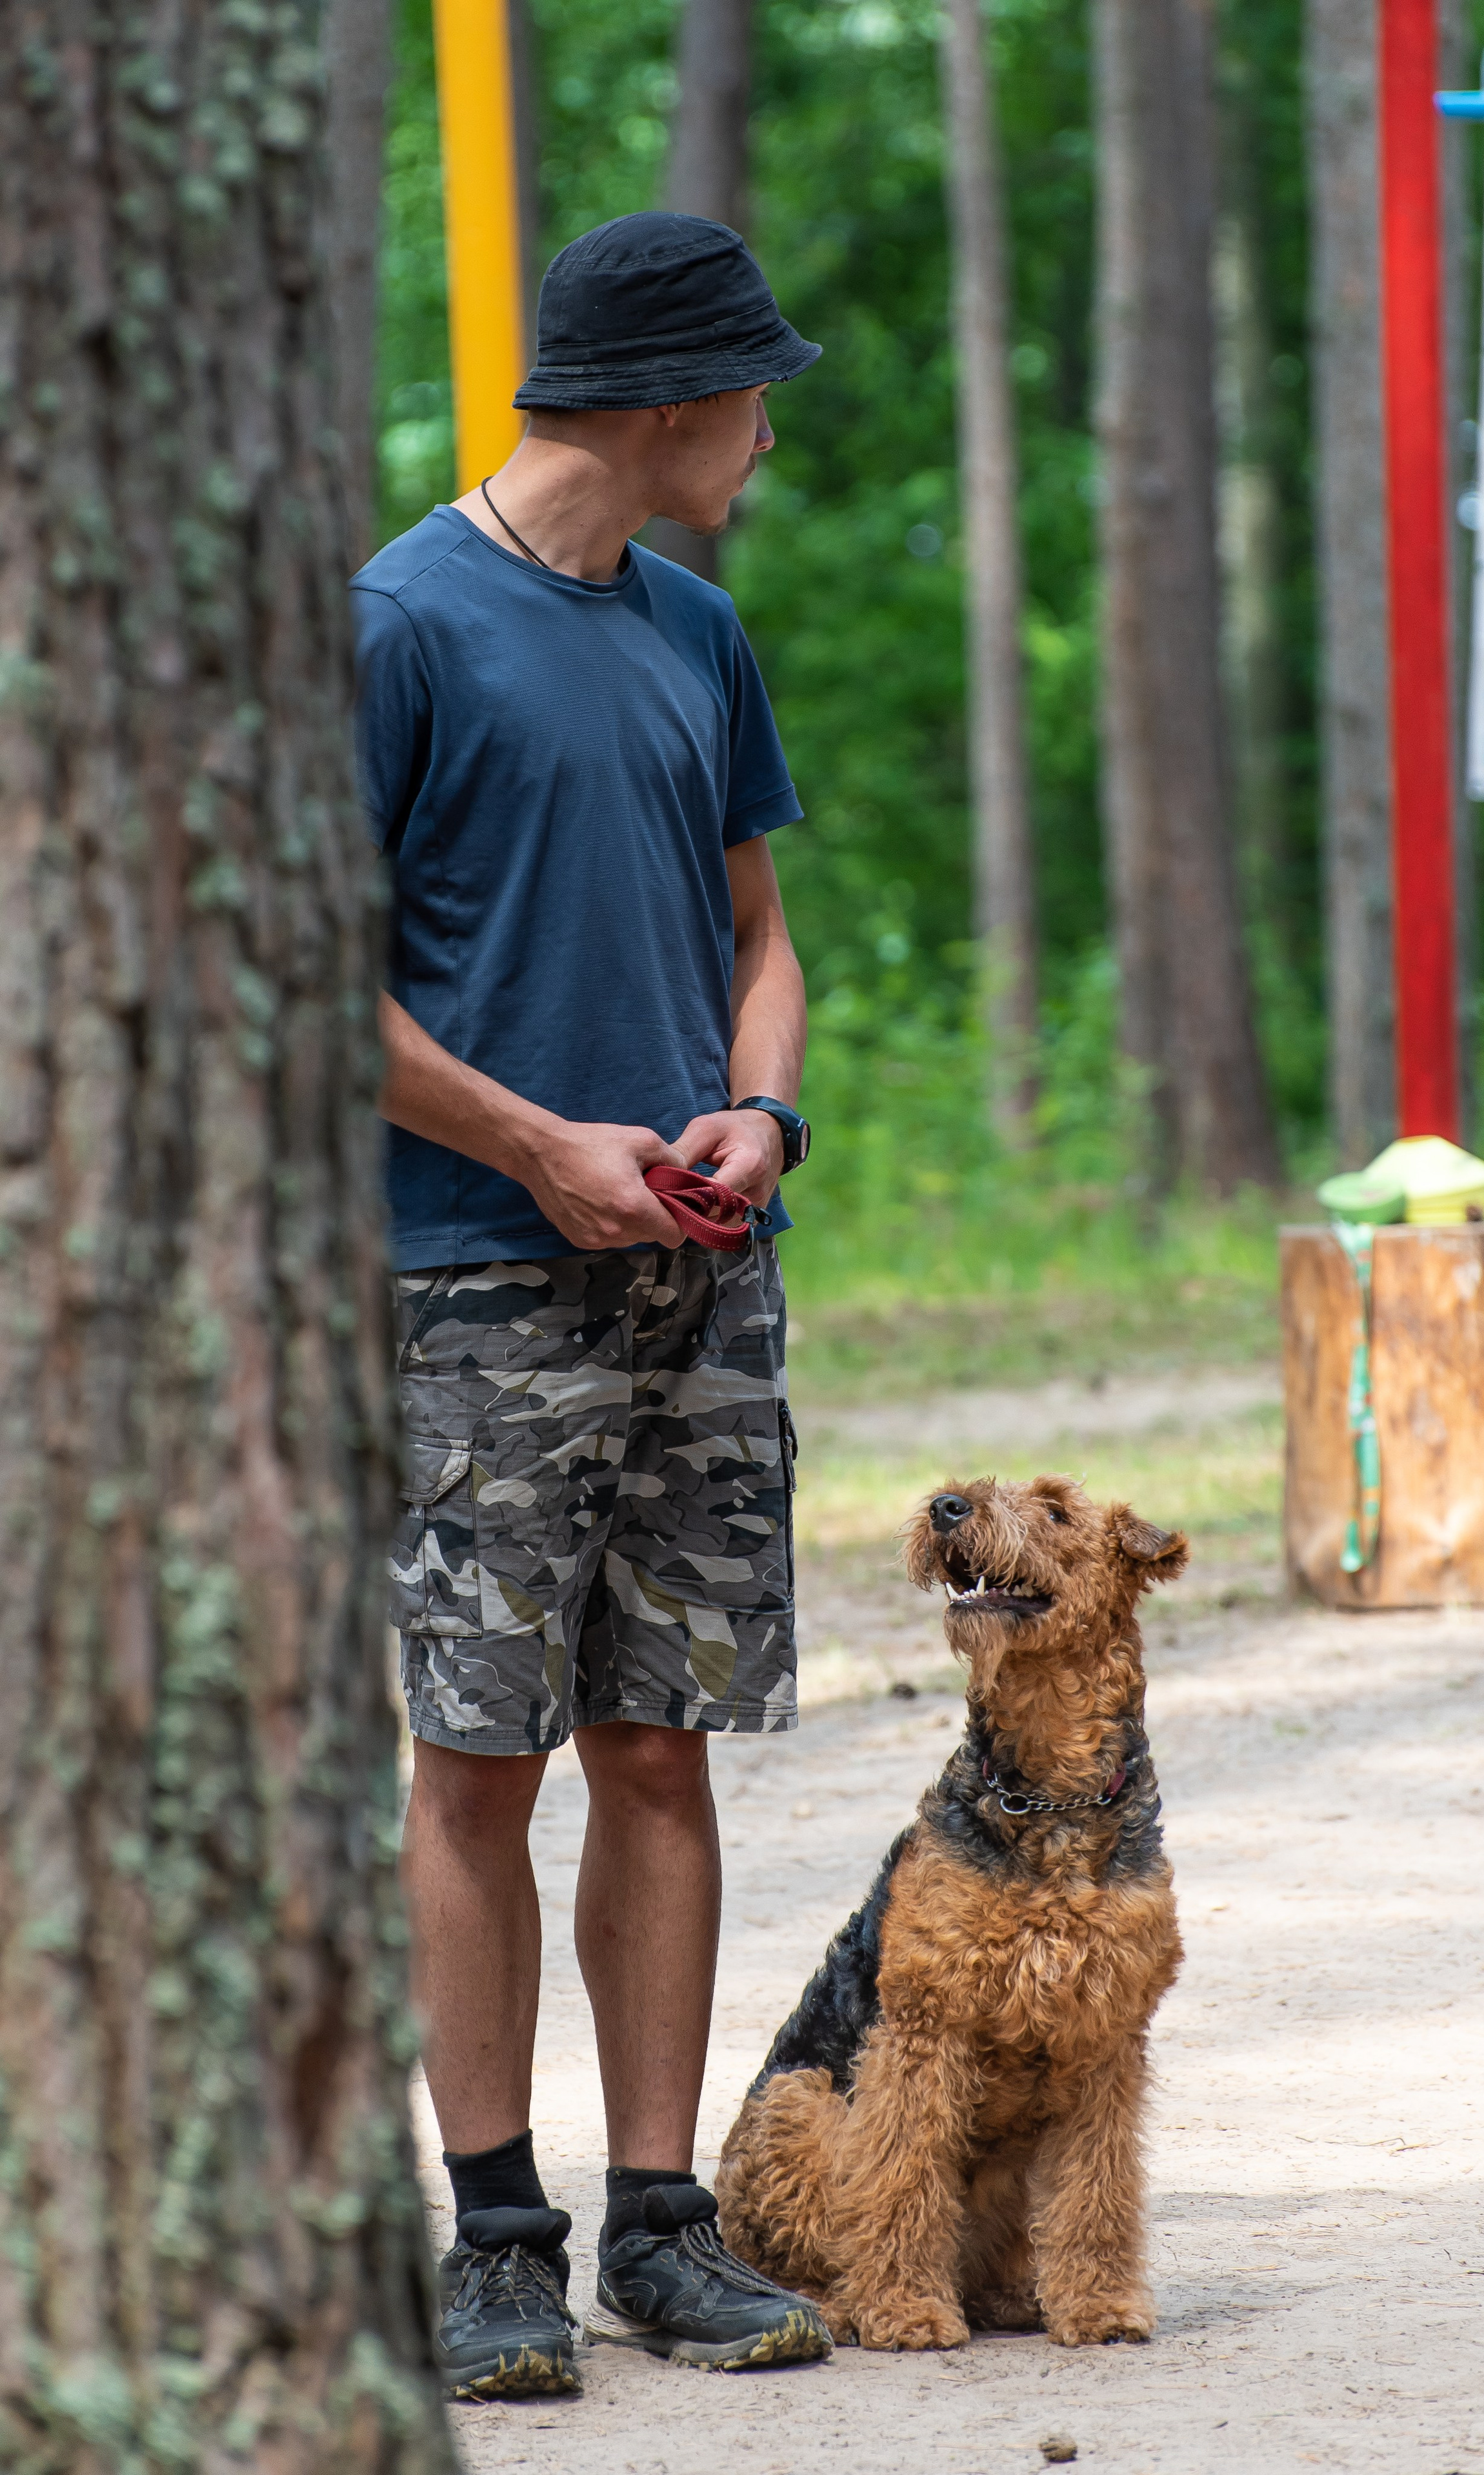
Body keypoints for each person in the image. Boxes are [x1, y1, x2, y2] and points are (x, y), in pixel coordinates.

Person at [350, 212, 828, 2399]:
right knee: (481, 1752)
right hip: (474, 1284)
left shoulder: (697, 632)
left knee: (663, 1742)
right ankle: (497, 2237)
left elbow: (762, 936)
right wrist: (537, 1141)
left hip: (698, 1297)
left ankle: (661, 2224)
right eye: (753, 395)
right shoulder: (394, 623)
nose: (763, 433)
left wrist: (756, 1108)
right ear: (665, 403)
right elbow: (309, 978)